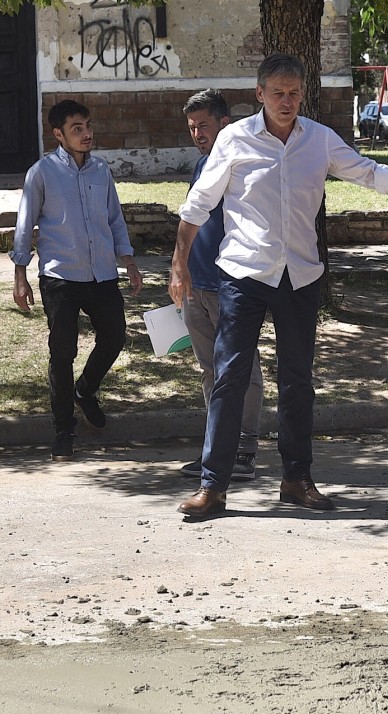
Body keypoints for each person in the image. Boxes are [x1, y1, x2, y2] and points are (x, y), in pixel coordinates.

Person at [169, 53, 388, 518]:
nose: (287, 101)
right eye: (277, 93)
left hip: (299, 277)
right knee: (229, 380)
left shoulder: (318, 140)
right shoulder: (236, 140)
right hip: (244, 276)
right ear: (259, 94)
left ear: (303, 94)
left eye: (294, 93)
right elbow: (195, 209)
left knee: (298, 381)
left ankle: (296, 479)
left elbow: (372, 175)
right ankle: (213, 486)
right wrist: (180, 267)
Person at [11, 99, 143, 461]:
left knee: (115, 336)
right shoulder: (41, 173)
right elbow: (25, 225)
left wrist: (128, 262)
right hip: (60, 274)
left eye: (87, 126)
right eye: (76, 129)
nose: (86, 135)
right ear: (59, 134)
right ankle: (63, 429)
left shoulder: (101, 170)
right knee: (62, 353)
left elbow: (115, 218)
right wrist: (20, 274)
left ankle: (86, 391)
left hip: (101, 272)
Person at [176, 89, 266, 482]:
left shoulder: (242, 164)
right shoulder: (201, 166)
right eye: (192, 127)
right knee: (210, 370)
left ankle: (244, 448)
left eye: (204, 126)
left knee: (242, 370)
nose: (198, 134)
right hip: (196, 285)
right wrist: (180, 269)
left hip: (231, 283)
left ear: (224, 124)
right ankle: (217, 447)